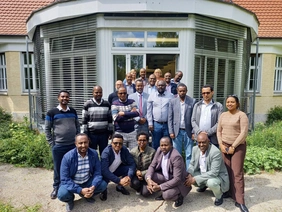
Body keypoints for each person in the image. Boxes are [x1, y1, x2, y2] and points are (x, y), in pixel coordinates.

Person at [57, 133, 107, 211]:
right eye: (80, 143)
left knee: (103, 185)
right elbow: (65, 179)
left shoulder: (93, 153)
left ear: (88, 142)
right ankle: (70, 200)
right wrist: (80, 190)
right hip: (73, 181)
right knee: (62, 194)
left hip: (87, 181)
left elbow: (97, 172)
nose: (83, 145)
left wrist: (93, 186)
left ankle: (87, 195)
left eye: (85, 142)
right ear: (75, 144)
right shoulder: (67, 157)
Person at [45, 89, 80, 200]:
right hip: (59, 146)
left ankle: (72, 186)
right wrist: (52, 143)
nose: (65, 98)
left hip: (73, 145)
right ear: (58, 98)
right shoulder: (52, 112)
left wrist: (78, 140)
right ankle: (56, 187)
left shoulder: (73, 111)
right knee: (58, 167)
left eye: (67, 97)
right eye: (62, 97)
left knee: (73, 166)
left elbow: (78, 126)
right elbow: (47, 129)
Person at [217, 95, 249, 212]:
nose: (230, 104)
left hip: (238, 146)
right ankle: (229, 193)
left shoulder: (242, 115)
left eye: (232, 102)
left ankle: (240, 200)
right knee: (226, 171)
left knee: (237, 173)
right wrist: (221, 144)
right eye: (228, 102)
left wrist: (233, 146)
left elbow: (243, 133)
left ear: (237, 104)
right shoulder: (223, 115)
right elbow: (219, 131)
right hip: (224, 145)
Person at [184, 133, 229, 206]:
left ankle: (219, 196)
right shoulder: (195, 149)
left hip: (217, 176)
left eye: (203, 142)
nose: (201, 145)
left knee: (211, 182)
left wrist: (195, 178)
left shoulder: (215, 152)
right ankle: (203, 186)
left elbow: (214, 173)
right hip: (204, 173)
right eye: (199, 142)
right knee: (187, 176)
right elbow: (192, 164)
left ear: (208, 141)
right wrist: (189, 174)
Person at [145, 137, 191, 207]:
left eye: (166, 145)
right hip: (167, 177)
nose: (163, 147)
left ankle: (179, 196)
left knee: (166, 195)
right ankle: (166, 189)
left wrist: (160, 187)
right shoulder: (159, 150)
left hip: (179, 183)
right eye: (161, 145)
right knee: (149, 175)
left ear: (171, 145)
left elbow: (177, 179)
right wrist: (149, 180)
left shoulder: (176, 157)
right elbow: (152, 166)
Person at [168, 83, 196, 168]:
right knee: (177, 154)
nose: (182, 92)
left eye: (184, 91)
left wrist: (193, 132)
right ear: (177, 91)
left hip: (188, 131)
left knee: (189, 154)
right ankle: (178, 173)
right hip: (177, 131)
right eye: (180, 91)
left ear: (186, 91)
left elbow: (195, 118)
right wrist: (171, 131)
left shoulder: (192, 101)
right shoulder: (172, 102)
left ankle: (188, 174)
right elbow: (170, 118)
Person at [81, 86, 113, 156]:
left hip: (104, 134)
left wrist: (110, 132)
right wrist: (86, 135)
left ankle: (103, 167)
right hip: (92, 135)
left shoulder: (107, 104)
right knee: (92, 154)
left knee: (104, 154)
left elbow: (110, 119)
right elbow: (84, 121)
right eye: (96, 92)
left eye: (100, 92)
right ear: (93, 93)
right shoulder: (87, 104)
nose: (98, 94)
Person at [147, 80, 174, 150]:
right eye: (159, 85)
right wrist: (150, 123)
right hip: (156, 125)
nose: (160, 87)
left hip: (167, 124)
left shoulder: (171, 96)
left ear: (165, 86)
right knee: (156, 144)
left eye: (162, 85)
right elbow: (149, 110)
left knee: (167, 144)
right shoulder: (152, 95)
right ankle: (156, 160)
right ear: (156, 86)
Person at [130, 132, 155, 196]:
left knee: (145, 193)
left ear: (147, 141)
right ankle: (139, 188)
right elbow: (130, 164)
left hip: (147, 174)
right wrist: (136, 172)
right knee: (134, 183)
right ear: (137, 141)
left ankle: (145, 187)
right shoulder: (132, 151)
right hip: (136, 174)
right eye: (140, 140)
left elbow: (154, 166)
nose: (142, 142)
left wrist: (142, 173)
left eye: (144, 140)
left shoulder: (152, 152)